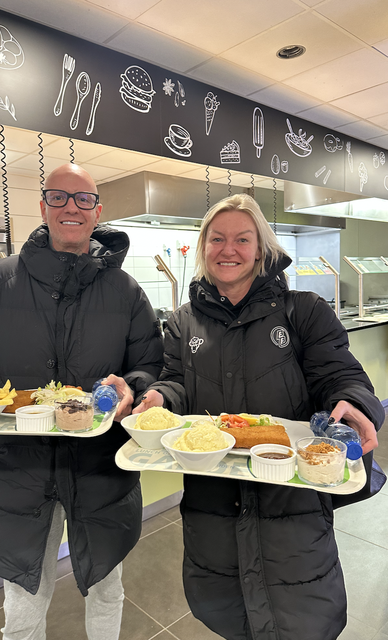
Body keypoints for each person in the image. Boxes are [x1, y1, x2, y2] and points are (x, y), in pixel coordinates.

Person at [0, 163, 164, 640]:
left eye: (83, 199)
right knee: (24, 600)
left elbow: (149, 363)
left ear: (97, 211)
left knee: (107, 587)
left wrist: (133, 386)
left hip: (100, 465)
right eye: (59, 197)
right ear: (43, 206)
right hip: (17, 466)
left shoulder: (125, 290)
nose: (71, 207)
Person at [133, 193, 384, 640]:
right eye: (217, 239)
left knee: (299, 619)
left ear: (262, 250)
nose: (228, 249)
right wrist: (158, 398)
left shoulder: (304, 311)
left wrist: (354, 403)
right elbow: (174, 379)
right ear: (204, 247)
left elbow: (340, 374)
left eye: (242, 239)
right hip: (213, 503)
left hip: (292, 509)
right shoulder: (182, 322)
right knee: (229, 615)